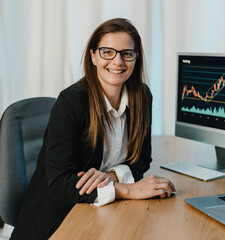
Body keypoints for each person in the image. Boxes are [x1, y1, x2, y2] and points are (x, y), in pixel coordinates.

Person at [11, 18, 175, 239]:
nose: (118, 61)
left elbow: (141, 160)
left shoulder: (142, 96)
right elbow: (60, 185)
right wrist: (127, 189)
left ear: (136, 58)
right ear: (93, 56)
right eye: (108, 52)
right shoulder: (72, 102)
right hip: (57, 221)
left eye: (127, 53)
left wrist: (109, 177)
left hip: (102, 211)